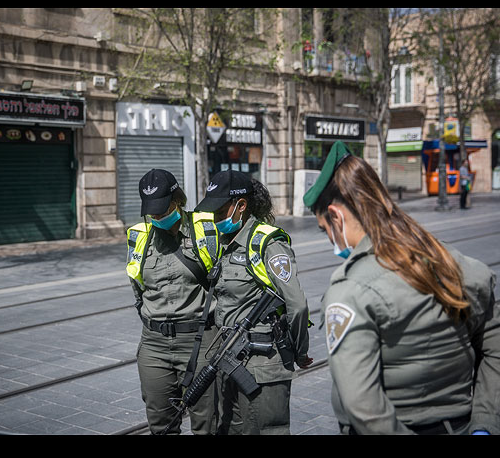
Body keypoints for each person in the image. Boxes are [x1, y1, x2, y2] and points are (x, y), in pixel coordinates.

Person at [303, 140, 500, 435]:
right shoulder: (454, 262)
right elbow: (494, 348)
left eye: (325, 229)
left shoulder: (350, 291)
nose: (329, 239)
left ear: (336, 216)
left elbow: (365, 409)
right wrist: (485, 423)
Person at [194, 170, 312, 435]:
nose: (214, 218)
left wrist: (299, 352)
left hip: (262, 362)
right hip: (229, 357)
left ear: (241, 206)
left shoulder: (267, 243)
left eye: (220, 211)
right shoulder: (226, 244)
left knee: (267, 430)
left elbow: (298, 304)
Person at [126, 169, 220, 435]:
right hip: (154, 345)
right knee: (161, 425)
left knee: (207, 424)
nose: (156, 217)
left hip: (200, 341)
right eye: (151, 212)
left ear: (177, 201)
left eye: (162, 209)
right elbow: (138, 289)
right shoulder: (139, 237)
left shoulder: (206, 231)